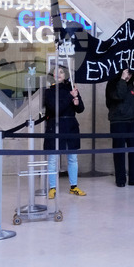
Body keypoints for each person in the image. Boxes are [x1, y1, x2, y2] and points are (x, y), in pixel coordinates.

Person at [44, 65, 86, 198]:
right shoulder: (49, 91)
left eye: (61, 72)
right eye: (56, 72)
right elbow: (56, 108)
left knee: (72, 158)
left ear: (65, 75)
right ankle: (52, 188)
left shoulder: (72, 88)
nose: (58, 74)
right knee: (52, 159)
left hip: (71, 126)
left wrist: (77, 101)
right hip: (54, 126)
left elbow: (81, 109)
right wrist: (70, 97)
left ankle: (73, 186)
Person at [106, 67, 134, 187]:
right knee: (119, 152)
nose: (129, 76)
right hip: (118, 121)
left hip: (132, 120)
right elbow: (119, 96)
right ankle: (120, 180)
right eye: (127, 74)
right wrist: (122, 79)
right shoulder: (112, 83)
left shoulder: (130, 85)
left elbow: (127, 101)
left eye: (131, 74)